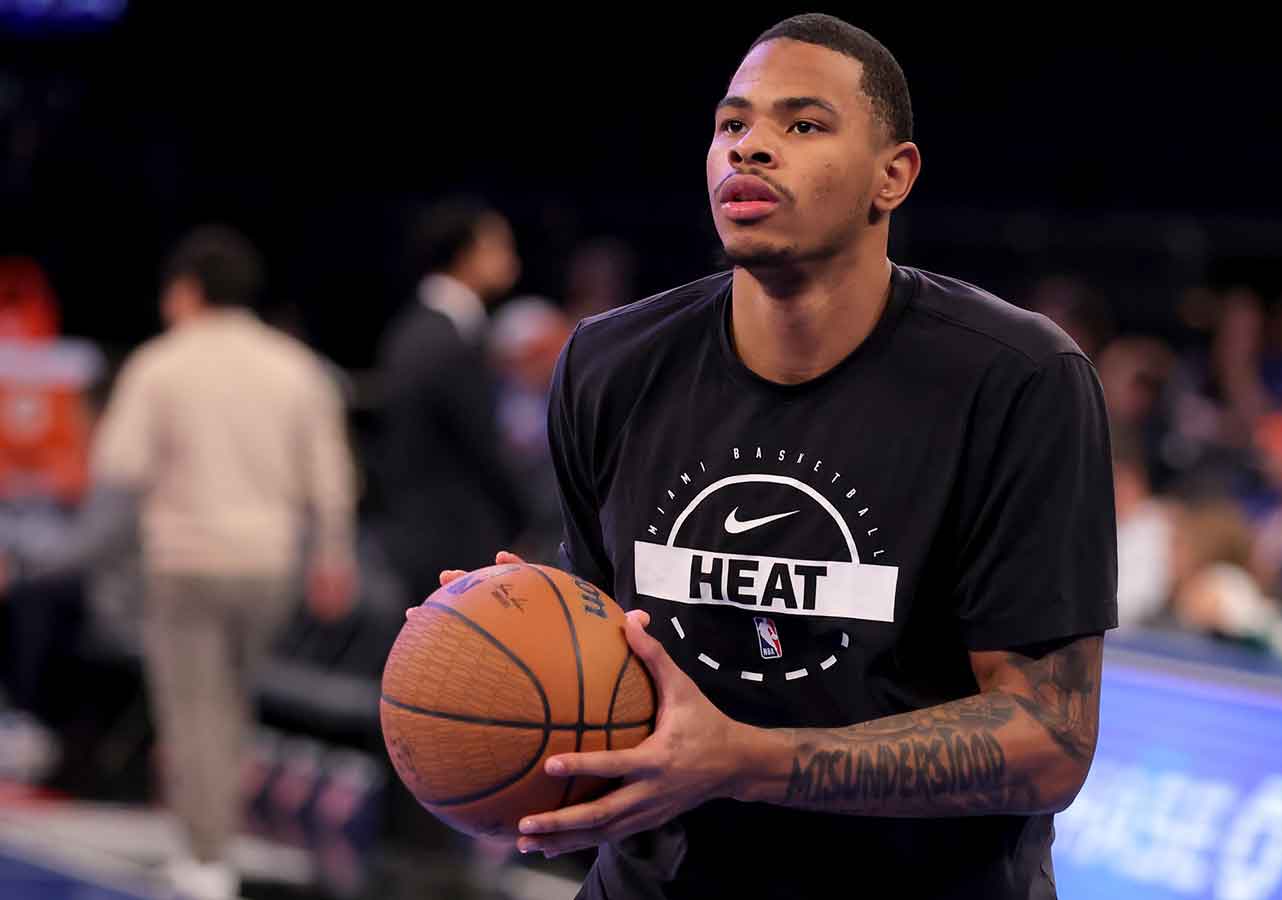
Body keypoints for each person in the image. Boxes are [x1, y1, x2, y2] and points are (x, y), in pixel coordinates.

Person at [440, 14, 1115, 899]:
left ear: (893, 176)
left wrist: (745, 761)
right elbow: (616, 643)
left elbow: (1051, 743)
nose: (751, 149)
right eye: (733, 125)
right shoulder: (609, 364)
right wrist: (523, 624)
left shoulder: (1020, 379)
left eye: (803, 125)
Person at [88, 226, 358, 899]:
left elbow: (119, 466)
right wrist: (333, 556)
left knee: (193, 713)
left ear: (187, 290)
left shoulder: (161, 364)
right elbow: (331, 478)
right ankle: (217, 844)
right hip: (268, 567)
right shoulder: (296, 366)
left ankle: (207, 858)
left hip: (186, 561)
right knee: (232, 706)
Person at [375, 197, 531, 607]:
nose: (510, 259)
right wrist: (526, 514)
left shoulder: (418, 329)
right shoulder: (444, 340)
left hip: (425, 537)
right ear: (467, 254)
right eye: (499, 246)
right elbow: (482, 447)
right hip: (451, 547)